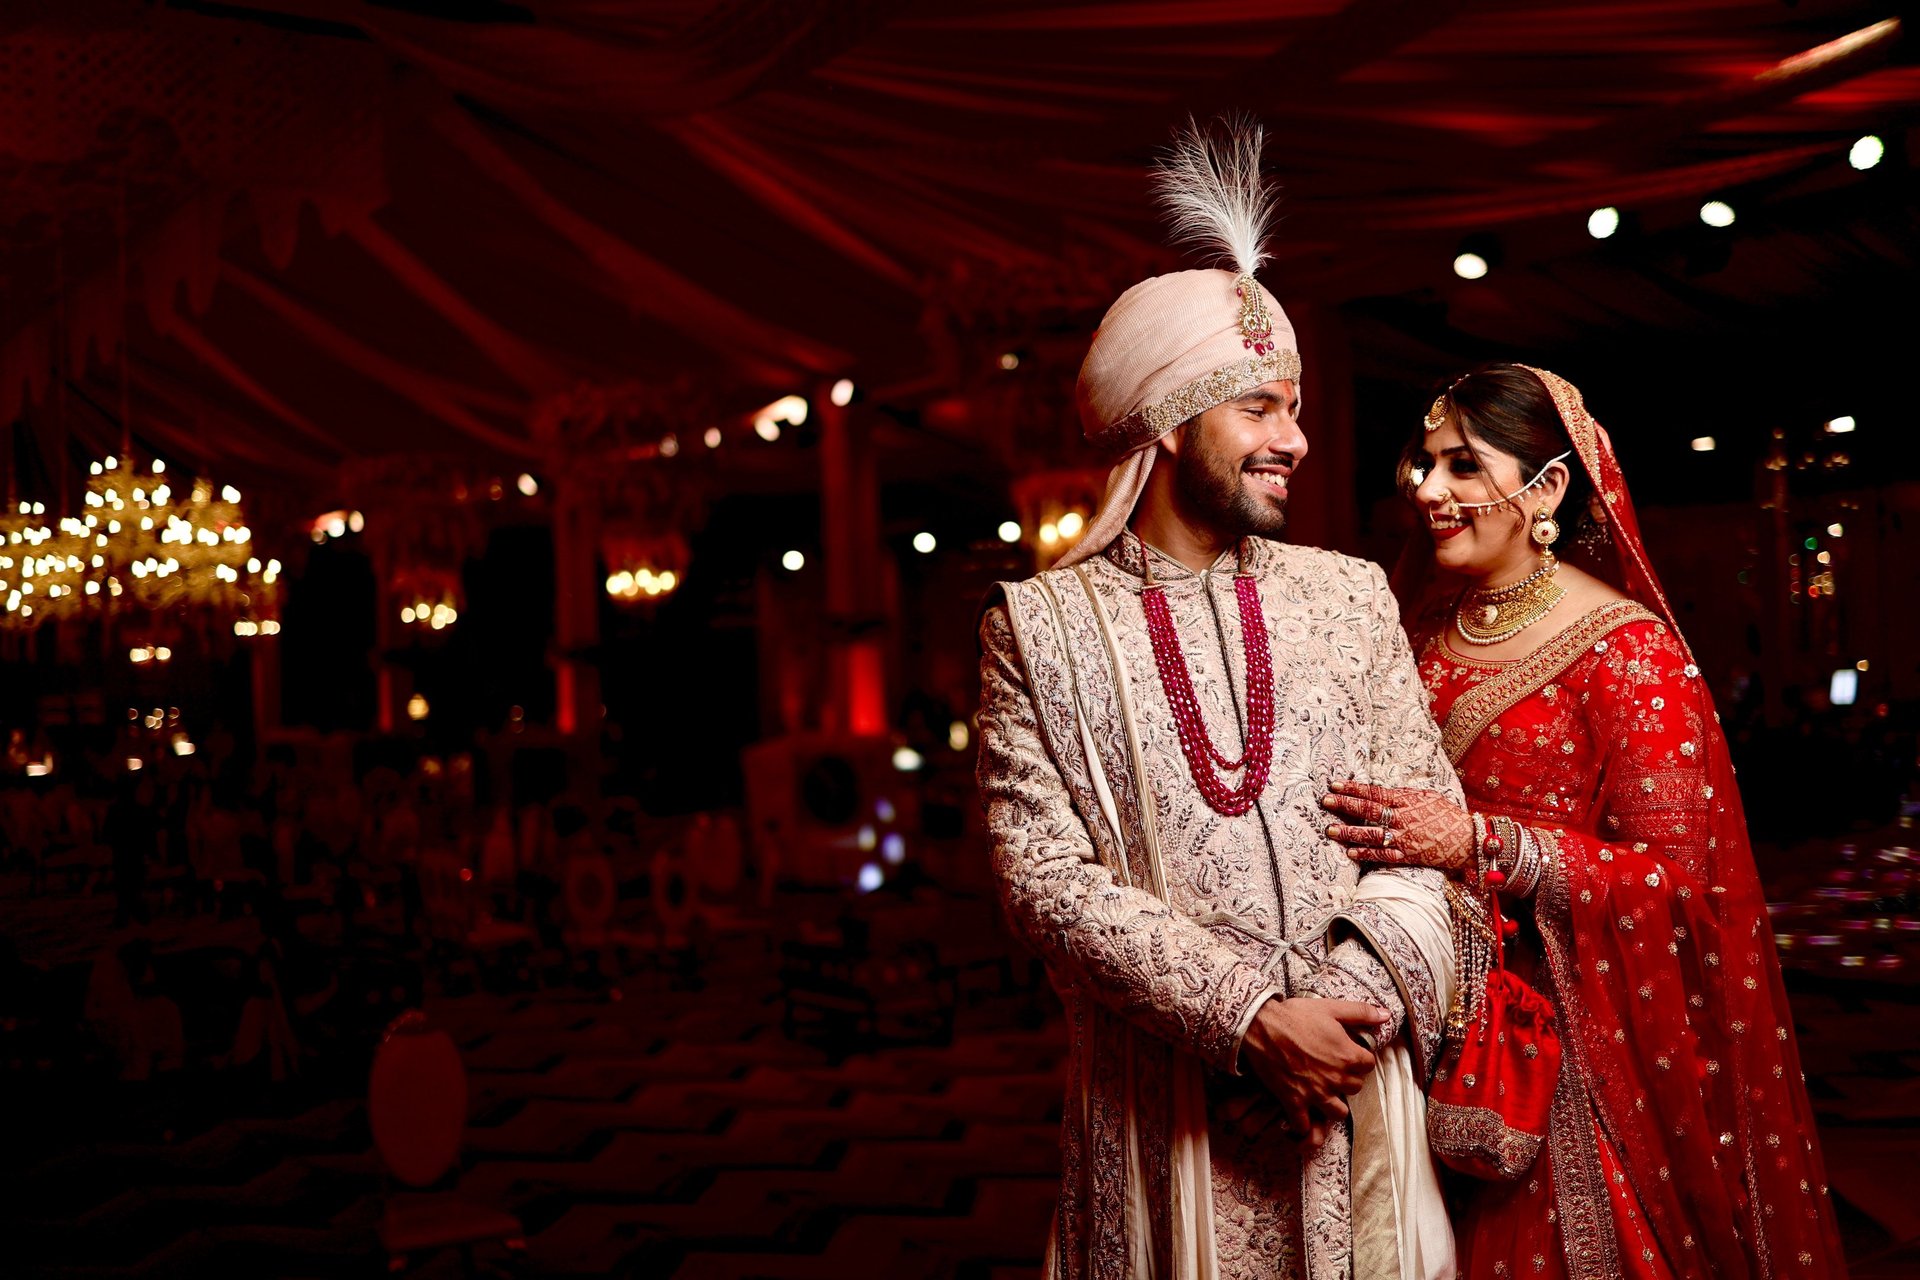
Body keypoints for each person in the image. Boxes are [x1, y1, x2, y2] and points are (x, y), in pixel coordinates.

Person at [976, 117, 1458, 1280]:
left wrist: (1329, 1032)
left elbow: (1424, 821)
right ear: (1169, 419)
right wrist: (1246, 1022)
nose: (1293, 438)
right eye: (1260, 408)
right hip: (1163, 1112)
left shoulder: (1347, 596)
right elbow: (1044, 881)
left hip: (1354, 1093)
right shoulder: (1039, 627)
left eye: (1294, 407)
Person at [1321, 365, 1845, 1278]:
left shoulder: (1628, 655)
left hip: (1562, 1060)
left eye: (1461, 466)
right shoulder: (1419, 631)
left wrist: (1486, 845)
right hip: (1417, 1029)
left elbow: (1683, 890)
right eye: (1423, 464)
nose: (1428, 491)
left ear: (1548, 488)